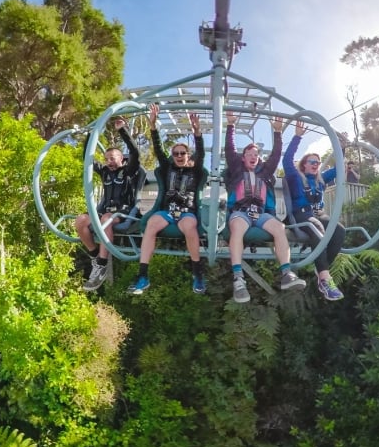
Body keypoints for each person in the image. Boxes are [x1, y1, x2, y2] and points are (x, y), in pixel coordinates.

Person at [225, 111, 306, 303]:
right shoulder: (237, 169)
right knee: (237, 227)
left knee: (280, 227)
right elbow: (230, 149)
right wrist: (231, 126)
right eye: (249, 154)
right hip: (241, 212)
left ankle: (286, 273)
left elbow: (276, 156)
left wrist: (277, 133)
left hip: (260, 213)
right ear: (243, 158)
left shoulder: (265, 172)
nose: (253, 156)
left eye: (256, 154)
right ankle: (238, 278)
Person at [129, 104, 207, 295]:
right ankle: (143, 275)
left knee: (189, 226)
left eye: (182, 153)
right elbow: (158, 149)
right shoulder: (167, 168)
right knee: (151, 225)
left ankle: (197, 273)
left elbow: (201, 153)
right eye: (176, 153)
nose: (179, 156)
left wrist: (197, 133)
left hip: (187, 211)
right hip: (168, 211)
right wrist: (153, 126)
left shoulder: (195, 170)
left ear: (188, 155)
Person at [283, 121, 347, 301]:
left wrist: (342, 148)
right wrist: (297, 136)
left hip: (316, 215)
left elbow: (339, 168)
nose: (316, 164)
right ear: (304, 165)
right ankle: (326, 279)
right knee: (316, 228)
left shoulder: (320, 179)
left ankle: (322, 271)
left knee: (339, 230)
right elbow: (286, 160)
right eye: (312, 161)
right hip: (300, 215)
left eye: (318, 162)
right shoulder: (296, 177)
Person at [76, 116, 140, 291]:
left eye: (112, 158)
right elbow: (87, 159)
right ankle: (95, 256)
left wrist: (122, 130)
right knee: (81, 220)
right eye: (106, 159)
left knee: (106, 219)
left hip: (123, 211)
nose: (109, 161)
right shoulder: (104, 172)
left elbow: (135, 152)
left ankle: (102, 264)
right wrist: (91, 135)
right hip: (105, 211)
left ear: (121, 159)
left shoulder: (129, 171)